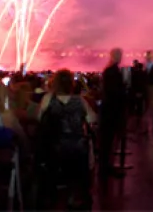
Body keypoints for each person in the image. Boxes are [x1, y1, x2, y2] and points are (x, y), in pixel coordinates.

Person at [37, 69, 95, 208]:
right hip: (77, 148)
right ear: (71, 84)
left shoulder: (48, 99)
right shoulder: (79, 100)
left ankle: (51, 196)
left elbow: (39, 119)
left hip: (54, 147)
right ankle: (74, 196)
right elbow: (92, 118)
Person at [98, 48, 126, 181]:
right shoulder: (113, 72)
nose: (121, 57)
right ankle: (106, 168)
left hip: (107, 111)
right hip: (112, 111)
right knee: (109, 141)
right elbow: (116, 93)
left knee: (107, 142)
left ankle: (105, 167)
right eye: (119, 55)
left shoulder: (108, 70)